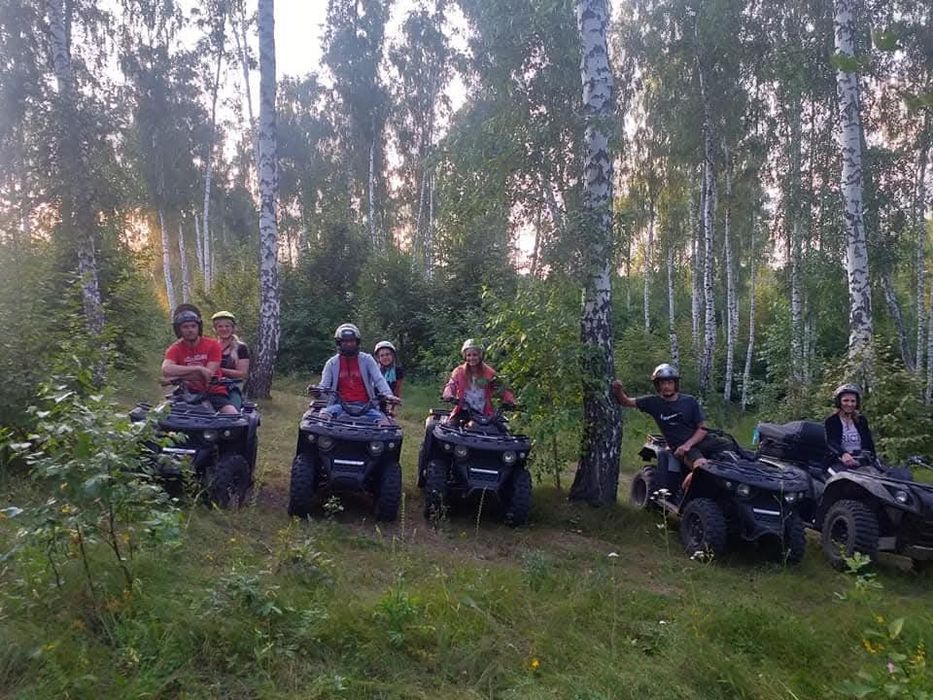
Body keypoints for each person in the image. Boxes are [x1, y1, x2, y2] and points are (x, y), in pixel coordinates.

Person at [611, 363, 731, 471]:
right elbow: (626, 402)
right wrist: (618, 390)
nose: (666, 386)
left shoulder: (689, 401)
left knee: (738, 454)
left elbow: (702, 429)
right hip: (680, 447)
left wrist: (688, 444)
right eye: (662, 383)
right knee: (702, 469)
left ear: (675, 384)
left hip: (700, 441)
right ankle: (686, 494)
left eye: (669, 383)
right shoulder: (653, 402)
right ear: (657, 385)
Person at [161, 305, 238, 415]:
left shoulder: (212, 345)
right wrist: (198, 368)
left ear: (199, 327)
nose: (190, 330)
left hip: (214, 391)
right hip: (186, 392)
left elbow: (208, 375)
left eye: (193, 326)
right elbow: (166, 369)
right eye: (185, 327)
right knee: (161, 416)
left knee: (233, 416)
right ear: (179, 330)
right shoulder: (174, 349)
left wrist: (176, 377)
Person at [318, 323, 398, 424]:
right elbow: (323, 386)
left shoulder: (367, 360)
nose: (349, 344)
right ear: (339, 343)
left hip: (366, 406)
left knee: (385, 425)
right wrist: (317, 392)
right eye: (345, 342)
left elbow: (379, 380)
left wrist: (389, 395)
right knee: (322, 417)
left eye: (352, 341)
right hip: (339, 405)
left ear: (357, 342)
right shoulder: (332, 363)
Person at [442, 339, 515, 421]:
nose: (472, 358)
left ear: (480, 355)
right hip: (463, 411)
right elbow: (451, 385)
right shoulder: (459, 372)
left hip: (485, 412)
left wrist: (509, 400)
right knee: (451, 427)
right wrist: (448, 394)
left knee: (501, 430)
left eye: (475, 355)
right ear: (465, 357)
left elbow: (502, 388)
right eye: (468, 355)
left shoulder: (489, 372)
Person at [211, 311, 250, 409]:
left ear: (233, 328)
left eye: (227, 326)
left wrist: (219, 370)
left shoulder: (241, 348)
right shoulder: (211, 346)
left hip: (232, 387)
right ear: (215, 329)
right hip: (212, 386)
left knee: (233, 414)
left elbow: (242, 374)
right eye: (220, 326)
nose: (224, 329)